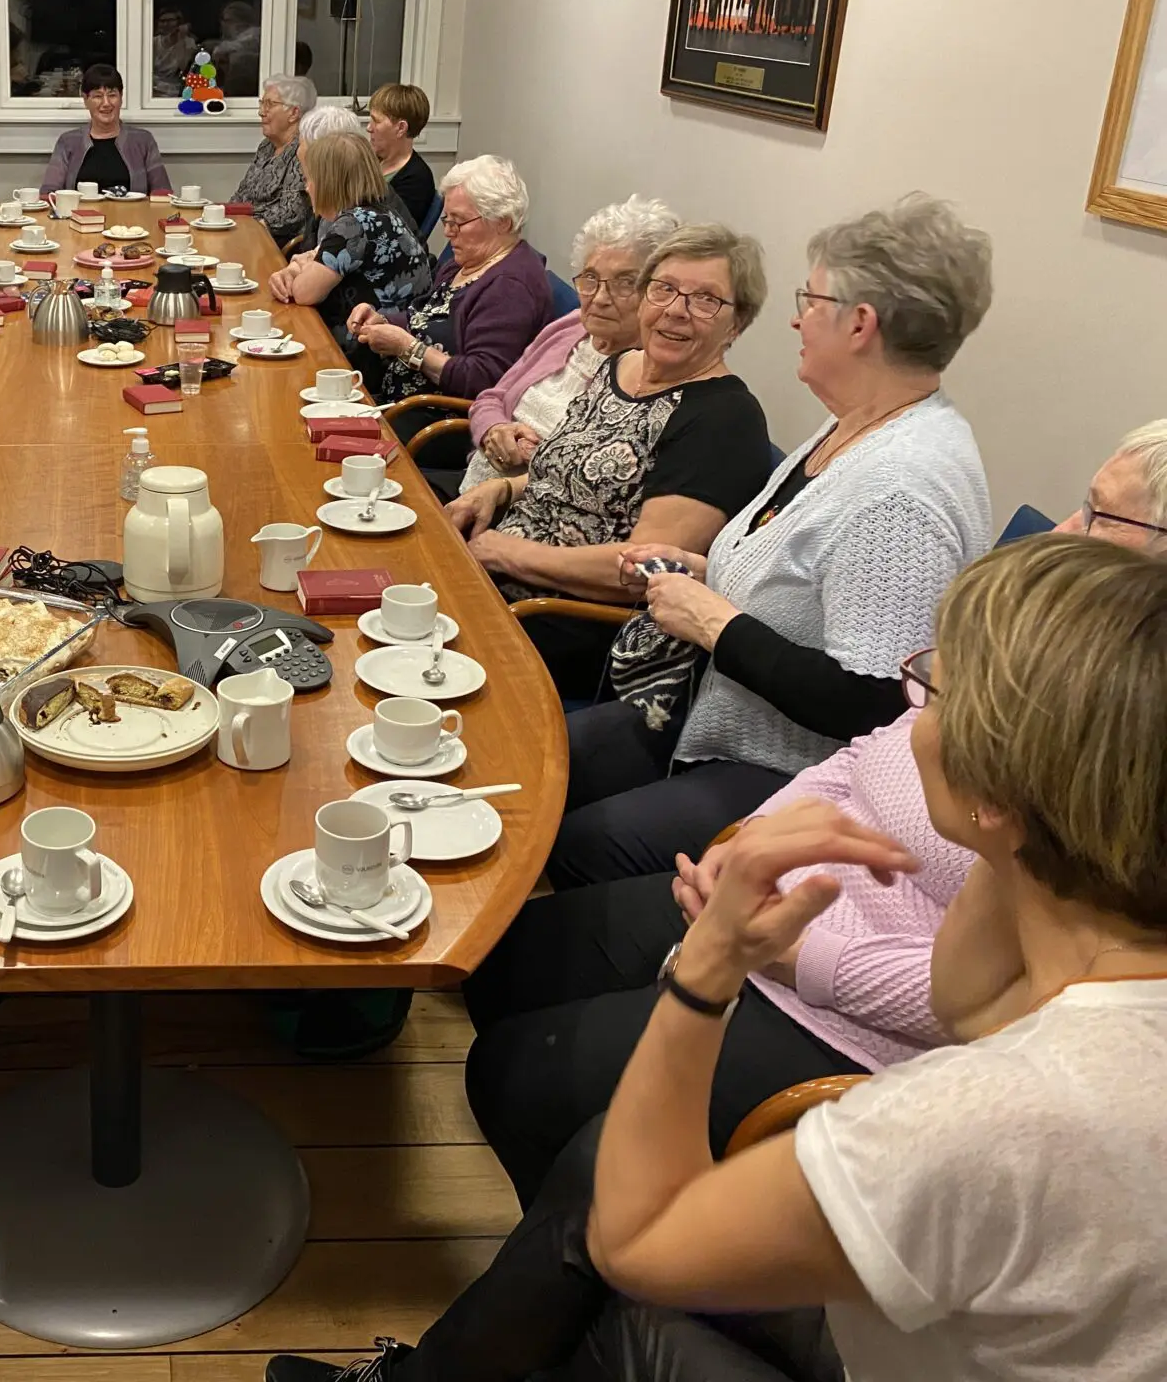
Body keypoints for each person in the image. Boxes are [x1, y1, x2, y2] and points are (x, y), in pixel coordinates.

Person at [274, 531, 1167, 1382]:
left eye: (934, 689)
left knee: (603, 1244)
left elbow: (638, 1241)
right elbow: (964, 996)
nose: (911, 704)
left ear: (997, 800)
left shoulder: (990, 1115)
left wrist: (709, 973)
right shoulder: (1069, 927)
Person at [458, 419, 1167, 1209]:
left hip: (849, 1013)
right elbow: (866, 748)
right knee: (508, 962)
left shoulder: (1110, 759)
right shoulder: (1046, 652)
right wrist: (754, 840)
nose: (1062, 530)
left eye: (1097, 513)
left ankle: (604, 1237)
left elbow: (1008, 1002)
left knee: (521, 1081)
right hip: (779, 906)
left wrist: (791, 952)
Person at [552, 195, 995, 890]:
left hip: (788, 771)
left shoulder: (901, 487)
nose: (796, 319)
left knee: (575, 842)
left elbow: (872, 703)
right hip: (707, 710)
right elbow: (801, 577)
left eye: (810, 300)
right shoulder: (854, 422)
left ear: (860, 324)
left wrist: (713, 621)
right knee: (535, 760)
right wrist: (707, 572)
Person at [453, 222, 775, 698]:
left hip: (559, 619)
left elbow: (640, 572)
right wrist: (499, 489)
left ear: (737, 323)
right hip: (493, 570)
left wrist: (510, 554)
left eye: (705, 299)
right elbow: (570, 472)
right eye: (664, 289)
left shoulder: (725, 419)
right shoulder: (619, 366)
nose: (676, 310)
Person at [455, 194, 680, 492]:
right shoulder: (572, 326)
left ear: (659, 292)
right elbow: (492, 397)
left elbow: (601, 481)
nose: (599, 298)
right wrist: (494, 429)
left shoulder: (647, 377)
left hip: (527, 508)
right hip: (470, 486)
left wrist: (527, 457)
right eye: (590, 278)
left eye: (625, 282)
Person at [343, 155, 553, 405]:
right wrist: (382, 320)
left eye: (459, 221)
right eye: (447, 220)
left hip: (432, 415)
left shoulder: (510, 287)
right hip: (398, 398)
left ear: (502, 223)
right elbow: (426, 317)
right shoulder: (464, 263)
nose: (447, 231)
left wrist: (408, 348)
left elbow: (482, 381)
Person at [266, 131, 430, 345]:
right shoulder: (377, 213)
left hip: (376, 349)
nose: (307, 188)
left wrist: (302, 266)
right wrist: (297, 267)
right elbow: (315, 256)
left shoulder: (353, 225)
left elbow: (304, 293)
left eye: (309, 179)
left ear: (328, 184)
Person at [38, 64, 170, 197]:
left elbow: (163, 192)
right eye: (98, 96)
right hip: (79, 211)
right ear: (85, 100)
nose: (106, 103)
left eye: (112, 95)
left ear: (121, 97)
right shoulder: (68, 142)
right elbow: (48, 192)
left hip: (133, 211)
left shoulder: (143, 140)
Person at [233, 73, 315, 243]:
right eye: (262, 103)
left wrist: (245, 226)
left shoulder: (303, 151)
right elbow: (241, 195)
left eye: (269, 104)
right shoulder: (266, 146)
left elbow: (291, 213)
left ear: (294, 113)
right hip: (245, 231)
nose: (261, 112)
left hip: (273, 242)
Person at [366, 82, 435, 231]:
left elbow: (389, 232)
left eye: (376, 121)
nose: (369, 128)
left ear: (401, 128)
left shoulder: (417, 179)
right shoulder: (371, 161)